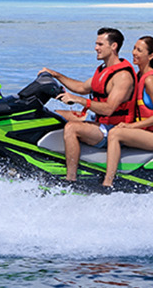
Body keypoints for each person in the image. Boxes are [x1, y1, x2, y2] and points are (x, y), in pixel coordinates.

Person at [39, 27, 135, 183]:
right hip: (99, 120)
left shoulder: (123, 76)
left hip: (113, 128)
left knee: (71, 128)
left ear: (114, 46)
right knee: (53, 114)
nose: (96, 48)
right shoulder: (104, 70)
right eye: (96, 44)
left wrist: (79, 100)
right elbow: (82, 88)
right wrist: (55, 74)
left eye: (100, 44)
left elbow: (109, 109)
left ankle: (70, 179)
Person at [98, 35, 153, 189]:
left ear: (150, 56)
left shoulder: (151, 80)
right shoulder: (139, 76)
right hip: (145, 132)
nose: (134, 53)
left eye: (139, 50)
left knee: (115, 134)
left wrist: (131, 127)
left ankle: (107, 183)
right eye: (134, 48)